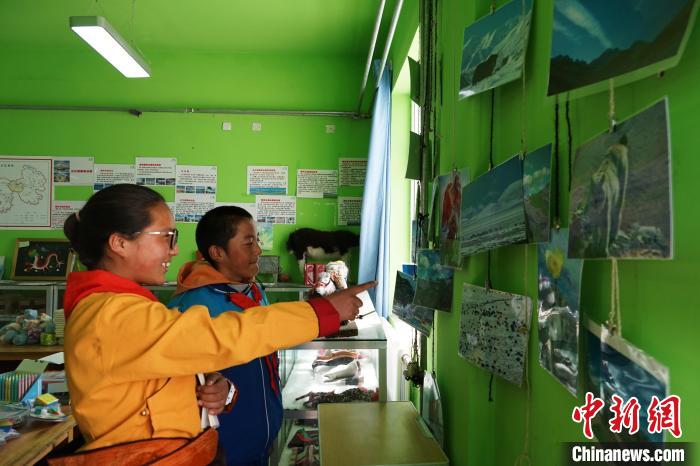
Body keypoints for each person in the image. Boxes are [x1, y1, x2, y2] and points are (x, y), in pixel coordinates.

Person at [59, 184, 373, 465]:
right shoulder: (109, 316)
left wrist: (216, 387)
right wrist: (321, 312)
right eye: (166, 237)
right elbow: (220, 336)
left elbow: (162, 375)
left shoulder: (129, 307)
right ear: (119, 243)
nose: (173, 249)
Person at [168, 206, 280, 465]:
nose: (258, 250)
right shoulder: (194, 305)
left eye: (257, 241)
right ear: (218, 252)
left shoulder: (253, 289)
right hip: (222, 448)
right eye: (249, 242)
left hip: (260, 438)